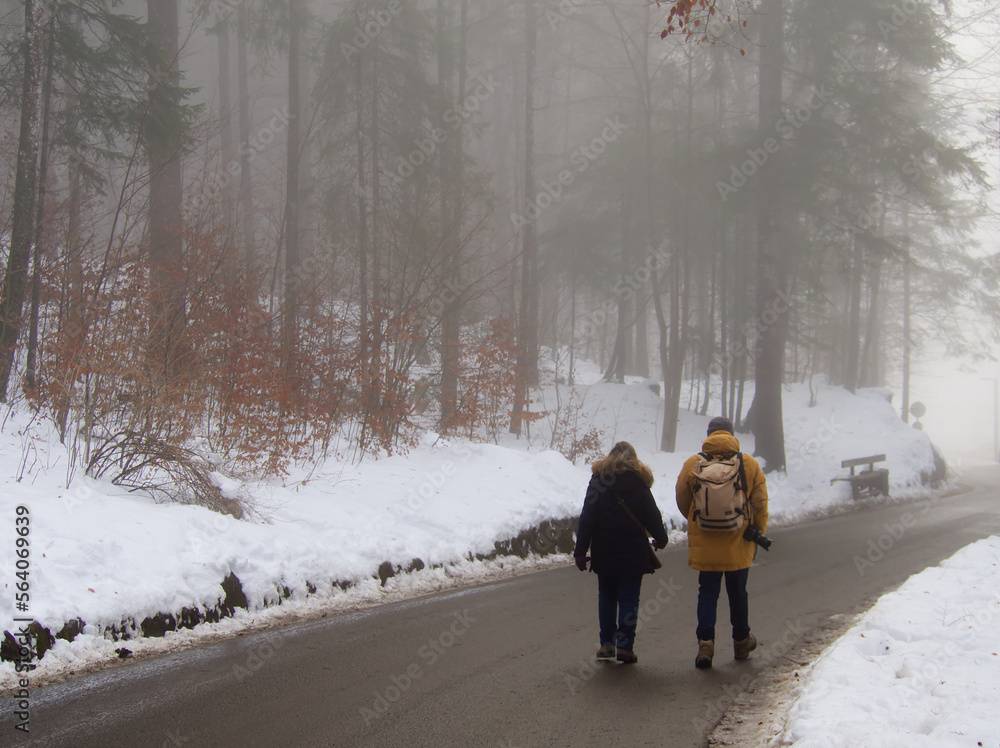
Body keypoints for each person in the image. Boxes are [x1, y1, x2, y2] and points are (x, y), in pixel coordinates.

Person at [675, 416, 768, 669]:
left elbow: (683, 500)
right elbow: (760, 503)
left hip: (706, 542)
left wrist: (698, 520)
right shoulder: (747, 464)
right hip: (738, 541)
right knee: (738, 592)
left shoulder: (693, 463)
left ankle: (706, 645)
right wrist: (757, 530)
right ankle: (741, 641)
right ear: (731, 434)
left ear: (708, 435)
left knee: (707, 592)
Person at [573, 441, 669, 664]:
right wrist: (662, 540)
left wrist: (580, 552)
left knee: (606, 597)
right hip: (633, 552)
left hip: (604, 550)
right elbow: (652, 516)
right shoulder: (639, 482)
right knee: (628, 599)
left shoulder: (598, 481)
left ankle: (606, 644)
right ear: (633, 460)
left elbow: (587, 517)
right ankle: (625, 646)